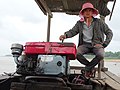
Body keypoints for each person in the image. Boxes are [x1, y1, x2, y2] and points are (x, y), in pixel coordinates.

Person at [59, 2, 113, 77]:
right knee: (76, 53)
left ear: (92, 12)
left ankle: (87, 69)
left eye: (89, 10)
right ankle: (90, 68)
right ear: (83, 13)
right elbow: (73, 31)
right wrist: (65, 35)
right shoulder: (79, 23)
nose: (87, 12)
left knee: (101, 55)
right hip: (84, 45)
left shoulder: (99, 22)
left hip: (96, 45)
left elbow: (109, 32)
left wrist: (104, 44)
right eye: (85, 10)